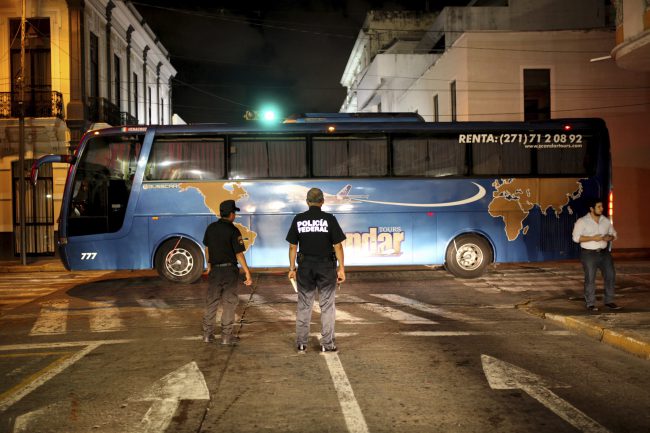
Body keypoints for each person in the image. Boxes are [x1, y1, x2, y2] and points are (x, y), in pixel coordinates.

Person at [286, 187, 346, 353]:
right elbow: (338, 246)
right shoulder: (329, 219)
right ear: (322, 201)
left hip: (305, 267)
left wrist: (292, 268)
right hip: (326, 267)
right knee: (327, 306)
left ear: (307, 202)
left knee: (304, 305)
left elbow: (292, 246)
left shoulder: (299, 219)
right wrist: (341, 268)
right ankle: (327, 344)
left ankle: (301, 343)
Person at [203, 199, 253, 345]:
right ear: (231, 214)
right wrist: (247, 273)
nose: (235, 216)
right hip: (229, 271)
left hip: (215, 271)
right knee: (229, 303)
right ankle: (226, 337)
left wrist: (209, 265)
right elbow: (239, 254)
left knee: (212, 301)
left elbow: (207, 248)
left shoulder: (210, 228)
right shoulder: (233, 230)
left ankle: (207, 335)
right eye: (234, 213)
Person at [572, 198, 620, 312]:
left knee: (610, 276)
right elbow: (576, 238)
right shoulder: (582, 221)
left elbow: (614, 234)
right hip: (589, 254)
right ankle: (590, 303)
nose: (601, 209)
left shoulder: (606, 220)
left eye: (602, 206)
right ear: (591, 209)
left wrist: (610, 237)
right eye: (599, 207)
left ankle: (609, 301)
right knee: (590, 278)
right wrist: (593, 238)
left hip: (604, 253)